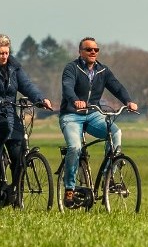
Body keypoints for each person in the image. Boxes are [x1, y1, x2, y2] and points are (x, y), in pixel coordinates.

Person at [59, 37, 138, 205]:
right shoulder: (71, 68)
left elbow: (116, 86)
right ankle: (69, 189)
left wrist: (128, 101)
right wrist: (74, 100)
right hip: (71, 115)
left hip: (93, 113)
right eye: (89, 49)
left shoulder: (103, 70)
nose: (93, 52)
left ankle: (108, 178)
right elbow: (67, 87)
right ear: (80, 52)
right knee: (74, 147)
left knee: (115, 133)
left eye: (96, 49)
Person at [0, 34, 53, 185]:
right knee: (2, 126)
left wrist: (40, 99)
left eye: (7, 53)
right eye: (1, 53)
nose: (4, 56)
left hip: (9, 112)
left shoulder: (14, 67)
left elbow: (27, 85)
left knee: (18, 155)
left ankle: (15, 194)